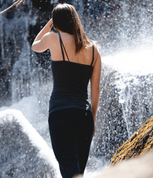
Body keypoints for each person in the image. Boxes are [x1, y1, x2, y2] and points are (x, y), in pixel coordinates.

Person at [32, 3, 101, 178]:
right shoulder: (93, 50)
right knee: (78, 172)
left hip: (61, 114)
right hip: (84, 117)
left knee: (70, 171)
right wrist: (93, 119)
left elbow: (35, 45)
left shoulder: (52, 38)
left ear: (56, 22)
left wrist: (50, 23)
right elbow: (95, 90)